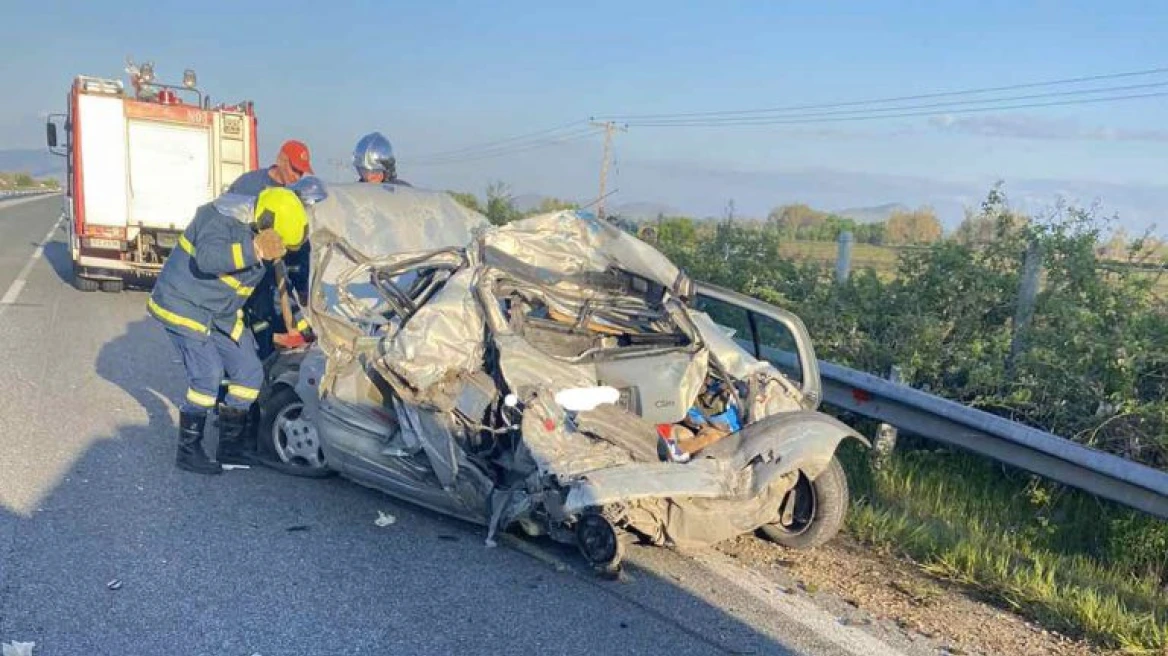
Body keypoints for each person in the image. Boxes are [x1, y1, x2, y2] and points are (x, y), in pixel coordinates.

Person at [148, 187, 309, 475]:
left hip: (220, 311)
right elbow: (208, 259)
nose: (278, 247)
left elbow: (269, 288)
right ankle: (188, 451)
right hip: (184, 304)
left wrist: (300, 322)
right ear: (266, 222)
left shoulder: (264, 229)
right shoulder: (219, 218)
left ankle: (231, 447)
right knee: (207, 375)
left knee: (249, 372)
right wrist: (256, 249)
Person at [228, 140, 314, 196]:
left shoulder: (300, 195)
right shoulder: (249, 184)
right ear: (281, 161)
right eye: (294, 169)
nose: (297, 177)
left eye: (301, 172)